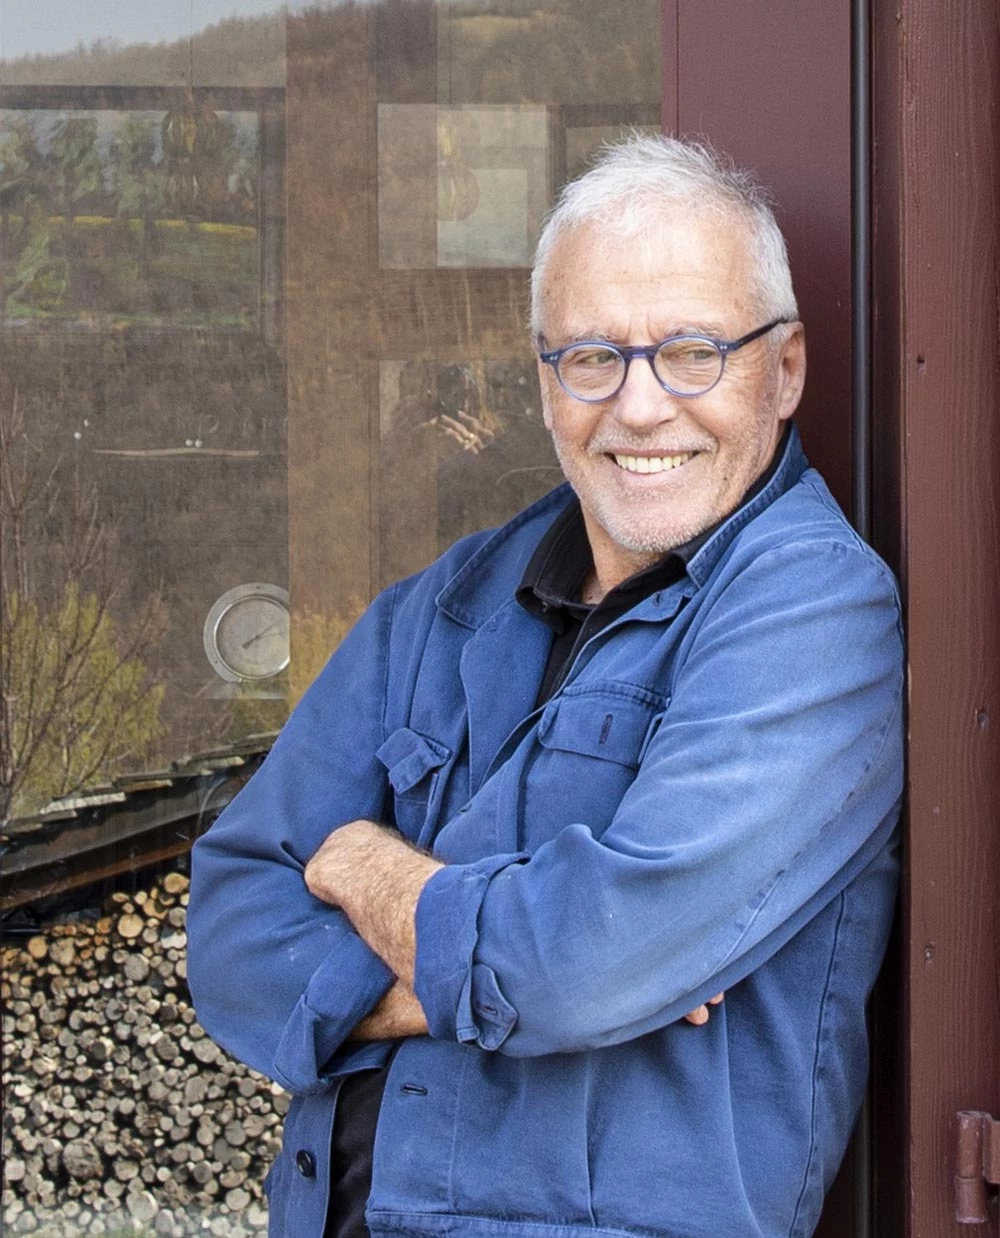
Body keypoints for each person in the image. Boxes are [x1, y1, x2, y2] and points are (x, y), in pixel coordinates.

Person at [187, 135, 904, 1238]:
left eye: (693, 350)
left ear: (787, 367)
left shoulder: (812, 613)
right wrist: (528, 962)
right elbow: (233, 926)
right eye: (592, 357)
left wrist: (362, 862)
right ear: (544, 381)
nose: (640, 405)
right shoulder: (448, 603)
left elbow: (574, 967)